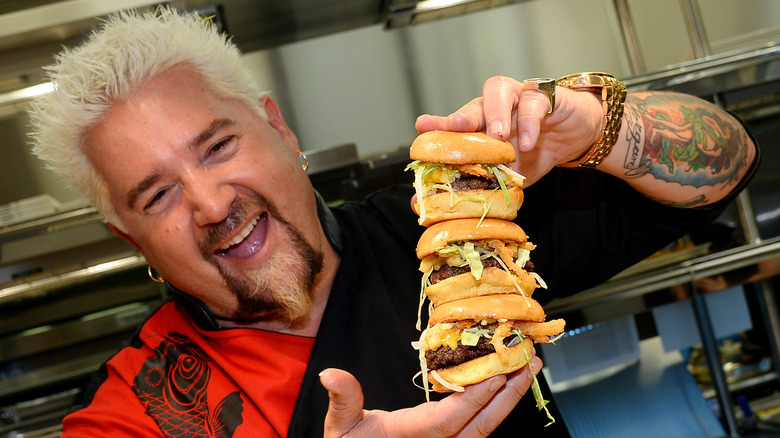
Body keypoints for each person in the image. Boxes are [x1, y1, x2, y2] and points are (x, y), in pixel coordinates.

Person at [27, 7, 759, 438]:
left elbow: (728, 161)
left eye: (218, 147)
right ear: (134, 243)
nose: (212, 205)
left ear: (280, 132)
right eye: (156, 195)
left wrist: (601, 128)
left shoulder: (452, 230)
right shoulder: (137, 410)